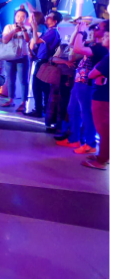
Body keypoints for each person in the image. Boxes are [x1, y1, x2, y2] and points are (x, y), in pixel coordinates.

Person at [58, 20, 109, 154]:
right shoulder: (94, 44)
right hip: (79, 80)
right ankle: (74, 138)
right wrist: (78, 30)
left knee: (86, 113)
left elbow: (77, 49)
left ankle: (90, 143)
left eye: (98, 28)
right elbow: (72, 45)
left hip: (87, 82)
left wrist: (81, 31)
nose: (95, 30)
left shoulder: (101, 48)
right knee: (73, 109)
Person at [27, 10, 63, 118]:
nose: (46, 18)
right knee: (41, 87)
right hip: (42, 60)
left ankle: (40, 110)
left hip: (43, 62)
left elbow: (36, 40)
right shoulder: (50, 31)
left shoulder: (52, 32)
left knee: (38, 86)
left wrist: (34, 27)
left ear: (55, 21)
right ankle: (43, 110)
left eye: (50, 17)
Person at [0, 7, 32, 111]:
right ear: (15, 17)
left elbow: (27, 40)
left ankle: (23, 102)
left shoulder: (27, 28)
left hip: (23, 57)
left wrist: (23, 30)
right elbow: (4, 40)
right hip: (10, 56)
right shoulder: (8, 27)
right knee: (10, 79)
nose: (20, 18)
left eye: (23, 17)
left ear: (26, 18)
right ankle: (10, 100)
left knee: (23, 80)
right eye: (18, 16)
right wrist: (14, 31)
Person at [84, 33, 109, 170]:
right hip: (104, 95)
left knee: (103, 129)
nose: (103, 38)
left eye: (107, 35)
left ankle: (101, 160)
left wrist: (97, 71)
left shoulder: (109, 58)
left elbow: (92, 74)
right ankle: (104, 156)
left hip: (103, 97)